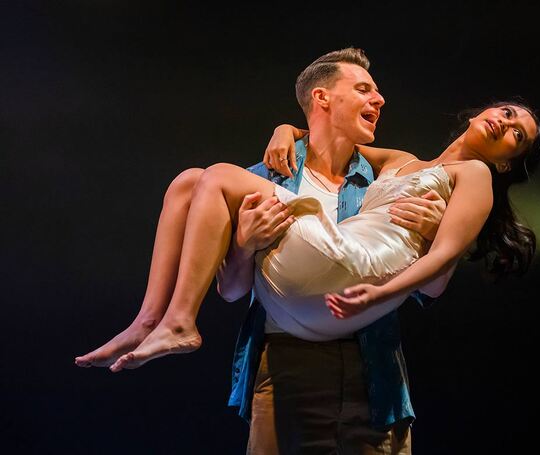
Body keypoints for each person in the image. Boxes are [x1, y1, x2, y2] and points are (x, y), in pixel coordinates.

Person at [75, 47, 450, 453]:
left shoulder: (383, 183)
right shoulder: (262, 180)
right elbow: (233, 290)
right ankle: (151, 319)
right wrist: (243, 246)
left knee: (207, 178)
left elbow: (429, 288)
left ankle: (166, 320)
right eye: (363, 89)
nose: (379, 99)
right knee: (189, 182)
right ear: (322, 98)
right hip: (288, 360)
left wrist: (437, 235)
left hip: (372, 366)